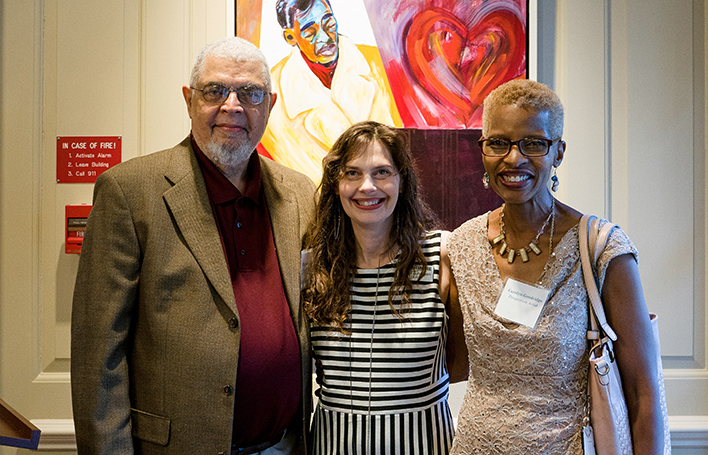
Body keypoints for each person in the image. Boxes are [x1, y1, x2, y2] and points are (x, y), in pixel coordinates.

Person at [70, 37, 317, 455]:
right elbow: (99, 358)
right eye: (215, 90)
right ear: (189, 100)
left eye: (250, 93)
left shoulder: (299, 194)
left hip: (286, 445)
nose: (232, 106)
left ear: (270, 105)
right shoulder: (130, 192)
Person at [447, 79, 666, 453]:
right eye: (498, 143)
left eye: (534, 143)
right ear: (482, 150)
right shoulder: (461, 245)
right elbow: (454, 365)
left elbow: (642, 392)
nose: (514, 159)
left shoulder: (601, 248)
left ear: (558, 152)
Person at [302, 121, 467, 454]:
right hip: (333, 445)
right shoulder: (311, 267)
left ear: (402, 182)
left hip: (424, 444)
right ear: (336, 185)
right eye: (352, 173)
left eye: (381, 172)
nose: (367, 186)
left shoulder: (442, 256)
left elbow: (460, 362)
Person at [261, 0, 402, 184]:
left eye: (329, 24)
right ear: (290, 37)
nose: (326, 39)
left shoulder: (380, 65)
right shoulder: (273, 94)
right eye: (310, 33)